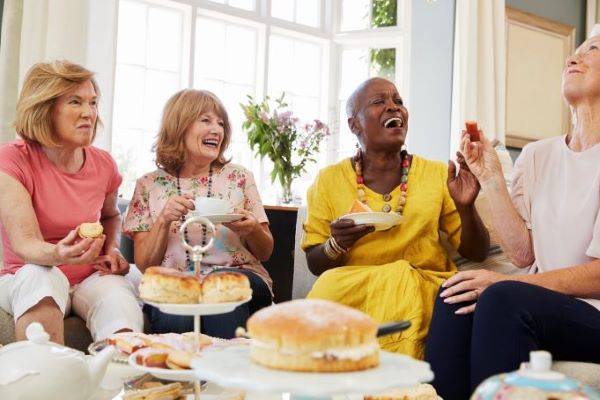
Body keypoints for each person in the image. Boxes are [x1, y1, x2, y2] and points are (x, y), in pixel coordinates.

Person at [424, 32, 600, 400]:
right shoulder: (538, 155)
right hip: (548, 306)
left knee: (503, 298)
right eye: (575, 51)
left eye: (593, 49)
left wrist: (509, 286)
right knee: (455, 294)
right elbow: (523, 255)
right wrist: (489, 177)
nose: (574, 58)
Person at [301, 77, 490, 358]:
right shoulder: (328, 180)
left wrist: (466, 206)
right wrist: (336, 244)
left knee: (404, 282)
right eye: (379, 102)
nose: (394, 108)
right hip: (354, 287)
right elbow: (316, 264)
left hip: (419, 283)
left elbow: (477, 252)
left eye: (398, 101)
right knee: (326, 287)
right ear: (355, 124)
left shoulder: (436, 173)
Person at [0, 61, 143, 344]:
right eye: (75, 102)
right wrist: (59, 255)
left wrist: (111, 248)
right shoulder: (13, 159)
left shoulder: (103, 164)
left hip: (89, 275)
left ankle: (121, 381)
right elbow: (25, 243)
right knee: (40, 279)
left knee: (118, 300)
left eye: (92, 102)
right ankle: (46, 383)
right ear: (44, 108)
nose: (89, 113)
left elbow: (111, 216)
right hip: (27, 272)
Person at [123, 89, 274, 338]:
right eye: (206, 120)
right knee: (176, 304)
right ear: (179, 126)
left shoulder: (239, 177)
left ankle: (223, 374)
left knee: (221, 289)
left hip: (239, 279)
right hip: (177, 283)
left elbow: (266, 251)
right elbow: (146, 264)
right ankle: (179, 374)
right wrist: (164, 219)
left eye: (221, 123)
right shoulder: (149, 185)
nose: (217, 129)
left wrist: (252, 229)